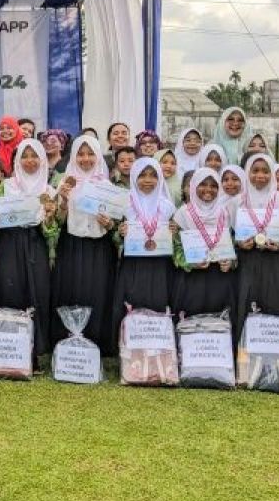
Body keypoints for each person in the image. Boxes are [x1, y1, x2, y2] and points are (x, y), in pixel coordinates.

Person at [0, 139, 58, 360]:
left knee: (38, 289)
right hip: (8, 242)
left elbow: (52, 232)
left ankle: (36, 347)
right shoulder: (7, 185)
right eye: (24, 156)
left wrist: (50, 218)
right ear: (17, 160)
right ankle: (8, 347)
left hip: (35, 243)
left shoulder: (49, 190)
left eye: (34, 156)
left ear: (42, 159)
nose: (29, 161)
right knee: (10, 288)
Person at [53, 135, 119, 352]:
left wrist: (108, 223)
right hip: (71, 244)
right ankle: (70, 337)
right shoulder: (65, 182)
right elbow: (58, 221)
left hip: (99, 247)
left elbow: (115, 225)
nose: (85, 159)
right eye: (80, 154)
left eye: (90, 153)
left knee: (97, 289)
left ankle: (96, 339)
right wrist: (62, 201)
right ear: (73, 156)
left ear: (98, 156)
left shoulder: (106, 185)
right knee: (72, 288)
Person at [110, 157, 177, 352]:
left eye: (153, 176)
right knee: (132, 300)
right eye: (142, 175)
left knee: (158, 299)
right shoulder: (125, 205)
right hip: (133, 265)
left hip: (160, 265)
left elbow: (175, 239)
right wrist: (120, 233)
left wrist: (173, 230)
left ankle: (158, 347)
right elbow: (113, 237)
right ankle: (131, 348)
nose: (147, 180)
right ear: (133, 177)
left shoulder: (167, 207)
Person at [226, 154, 279, 330]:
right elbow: (227, 234)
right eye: (255, 170)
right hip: (246, 261)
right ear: (247, 173)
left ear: (272, 174)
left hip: (275, 262)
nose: (260, 175)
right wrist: (238, 243)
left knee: (275, 304)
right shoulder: (235, 202)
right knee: (246, 303)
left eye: (266, 171)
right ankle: (244, 353)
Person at [172, 169, 238, 333]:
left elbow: (234, 245)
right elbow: (175, 249)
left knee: (218, 317)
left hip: (220, 278)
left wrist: (231, 261)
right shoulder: (182, 214)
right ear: (194, 186)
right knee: (192, 318)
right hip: (192, 279)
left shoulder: (225, 213)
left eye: (213, 186)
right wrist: (189, 263)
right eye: (203, 184)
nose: (208, 189)